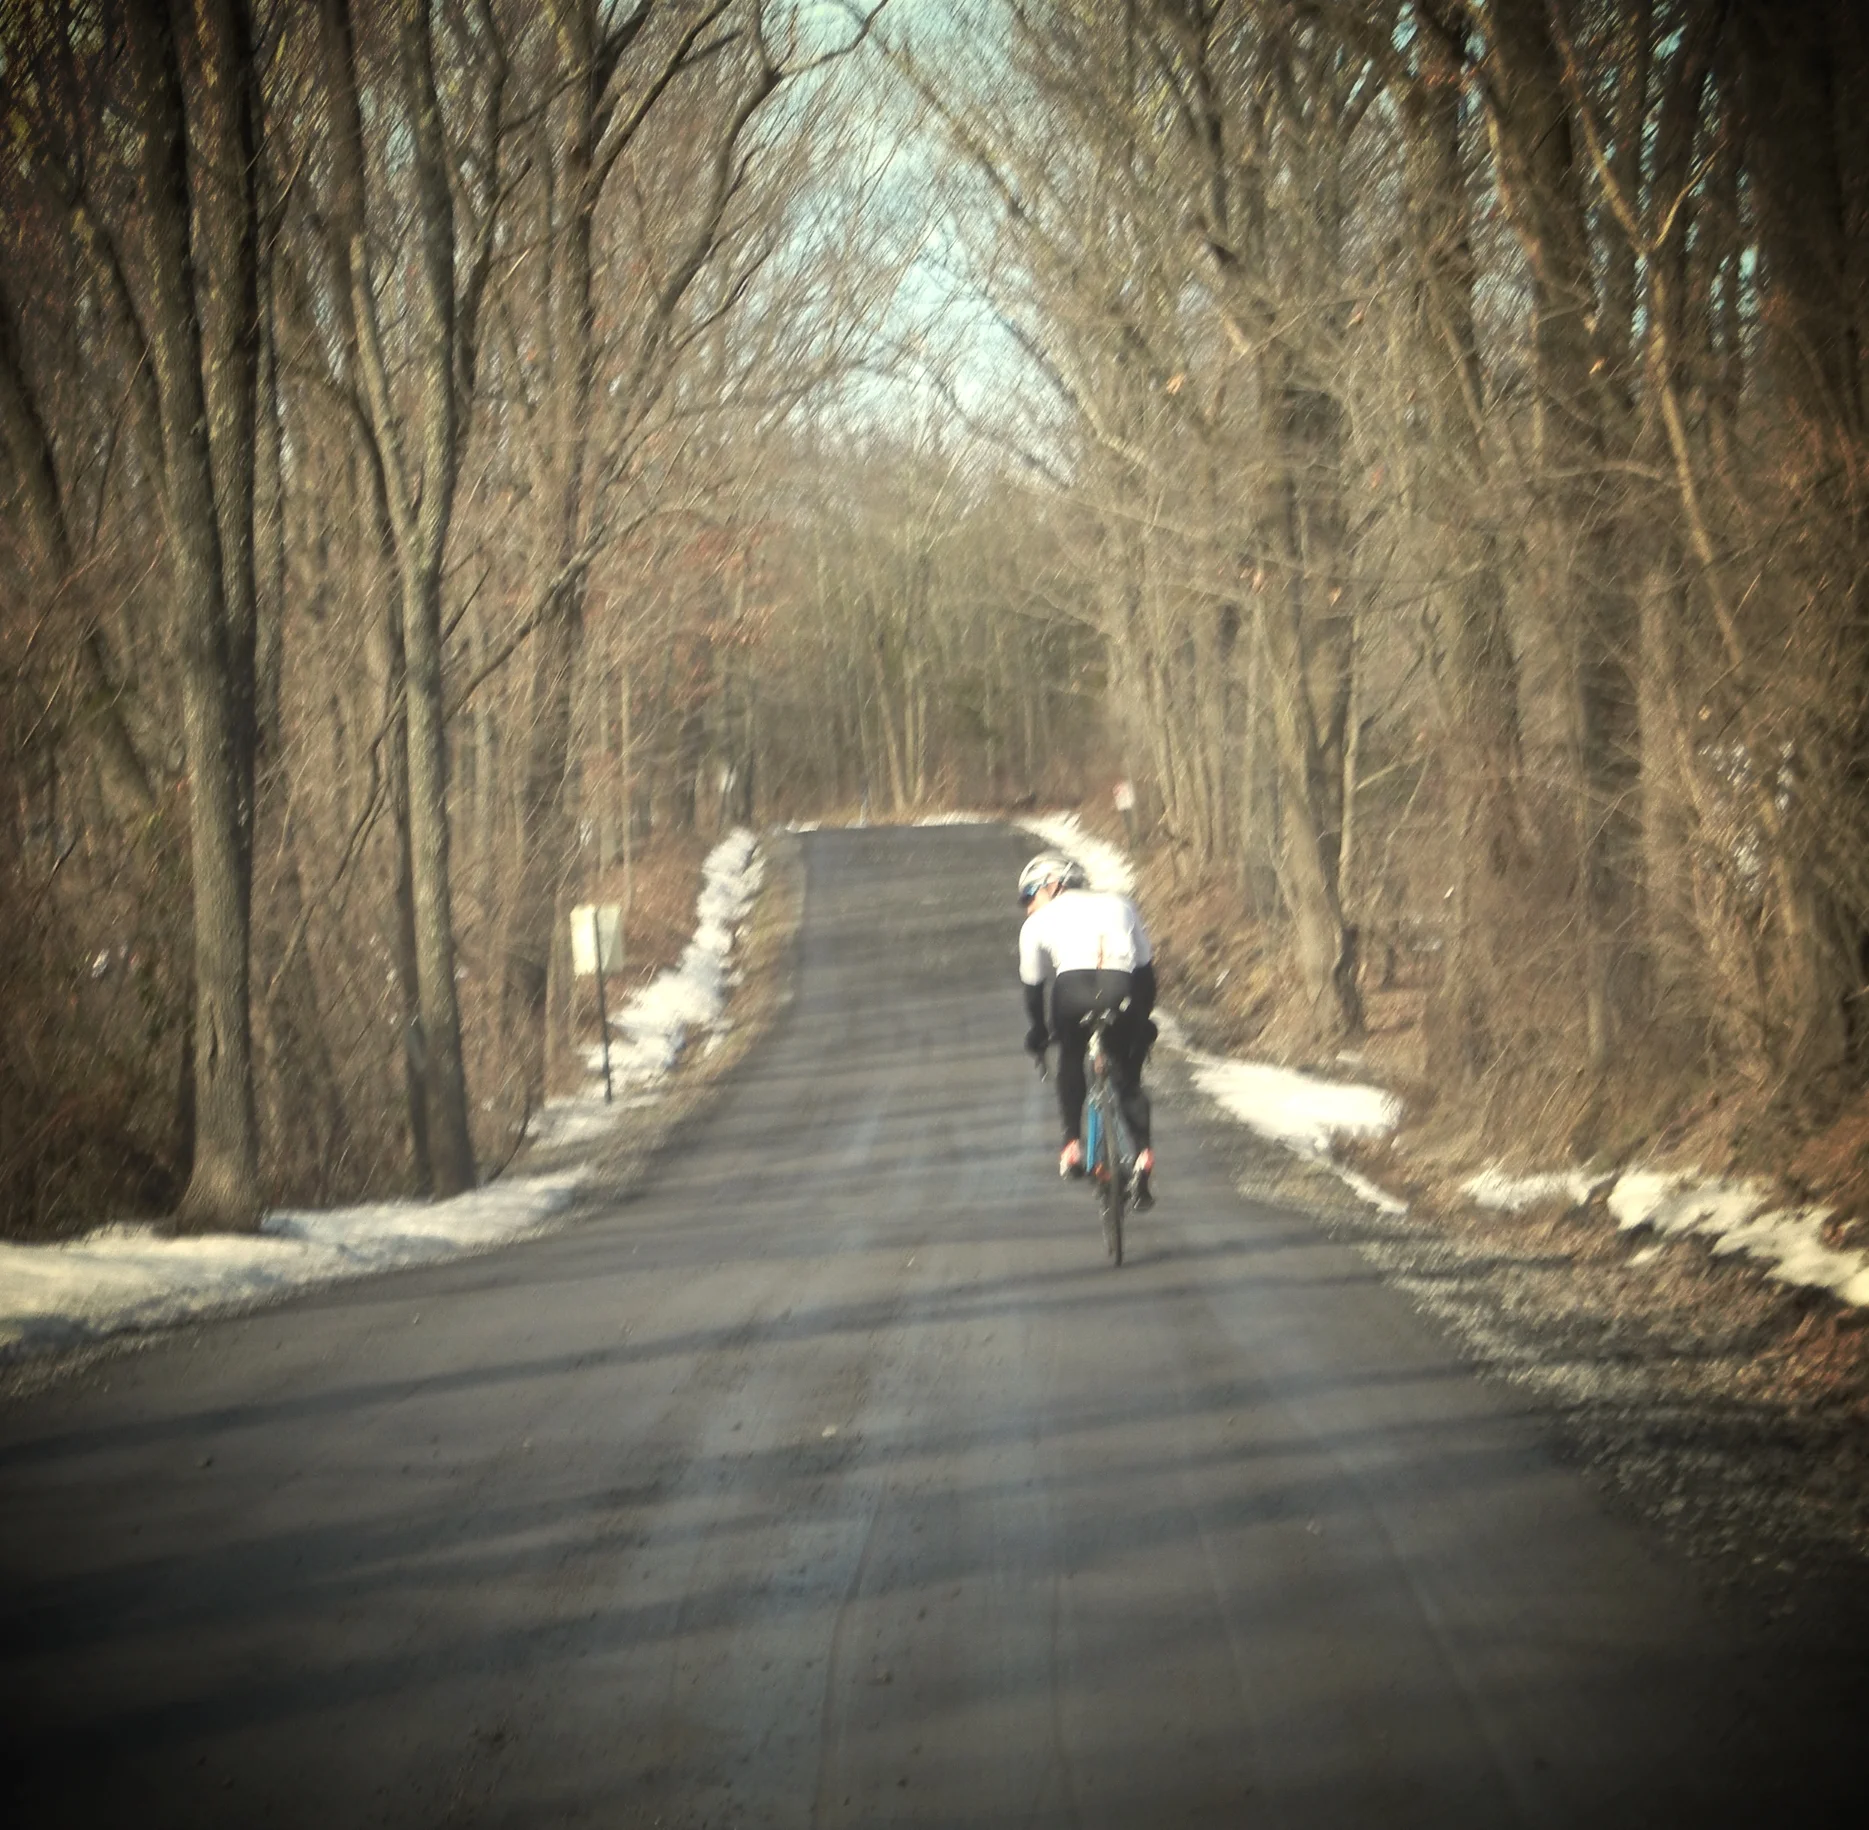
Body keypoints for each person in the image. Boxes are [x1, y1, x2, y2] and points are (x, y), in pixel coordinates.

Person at [1018, 852, 1157, 1208]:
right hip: (1121, 989)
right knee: (1126, 1074)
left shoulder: (1036, 923)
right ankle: (1143, 1155)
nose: (1027, 906)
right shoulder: (1121, 904)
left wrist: (1038, 1033)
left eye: (1030, 895)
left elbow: (1033, 988)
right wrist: (1141, 1022)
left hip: (1071, 992)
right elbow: (1146, 974)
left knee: (1070, 1054)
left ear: (1053, 885)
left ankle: (1072, 1146)